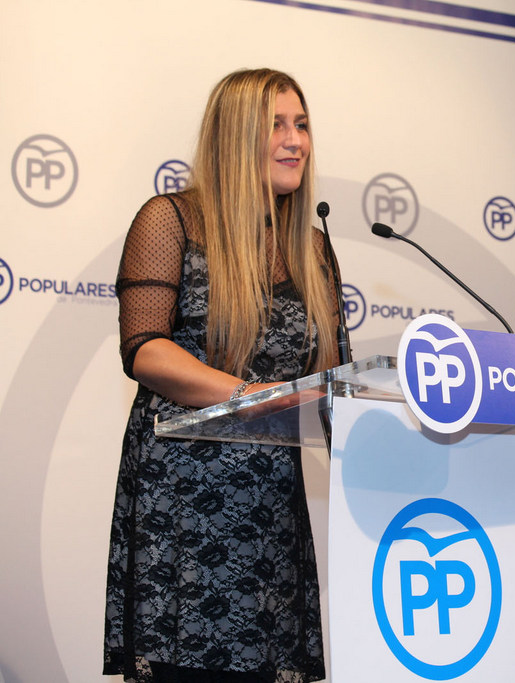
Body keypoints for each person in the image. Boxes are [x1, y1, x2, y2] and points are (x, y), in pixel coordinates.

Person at [104, 68, 339, 682]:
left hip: (272, 516)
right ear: (236, 137)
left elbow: (328, 383)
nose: (296, 141)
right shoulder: (171, 220)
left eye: (302, 125)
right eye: (277, 126)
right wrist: (249, 397)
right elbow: (145, 349)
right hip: (184, 506)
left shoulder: (314, 249)